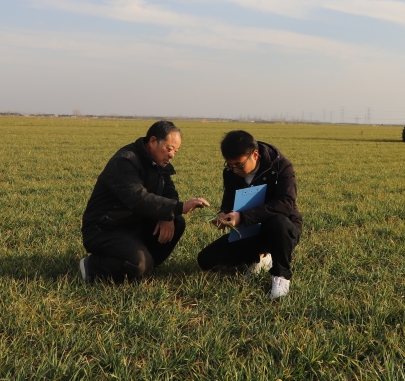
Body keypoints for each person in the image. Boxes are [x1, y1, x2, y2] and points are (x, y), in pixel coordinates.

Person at [79, 121, 210, 283]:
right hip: (105, 228)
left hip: (134, 224)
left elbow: (169, 192)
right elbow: (138, 198)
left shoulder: (159, 163)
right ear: (153, 141)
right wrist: (179, 207)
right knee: (138, 264)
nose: (172, 155)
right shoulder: (125, 161)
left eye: (176, 151)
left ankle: (144, 266)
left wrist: (168, 216)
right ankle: (91, 266)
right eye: (169, 149)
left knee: (177, 221)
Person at [197, 130, 302, 299]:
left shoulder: (281, 166)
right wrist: (224, 215)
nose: (234, 170)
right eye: (230, 165)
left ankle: (281, 275)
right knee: (206, 259)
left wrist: (243, 216)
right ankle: (260, 258)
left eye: (239, 165)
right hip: (249, 231)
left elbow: (286, 203)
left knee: (279, 223)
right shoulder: (230, 172)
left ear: (255, 155)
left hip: (282, 232)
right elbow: (229, 202)